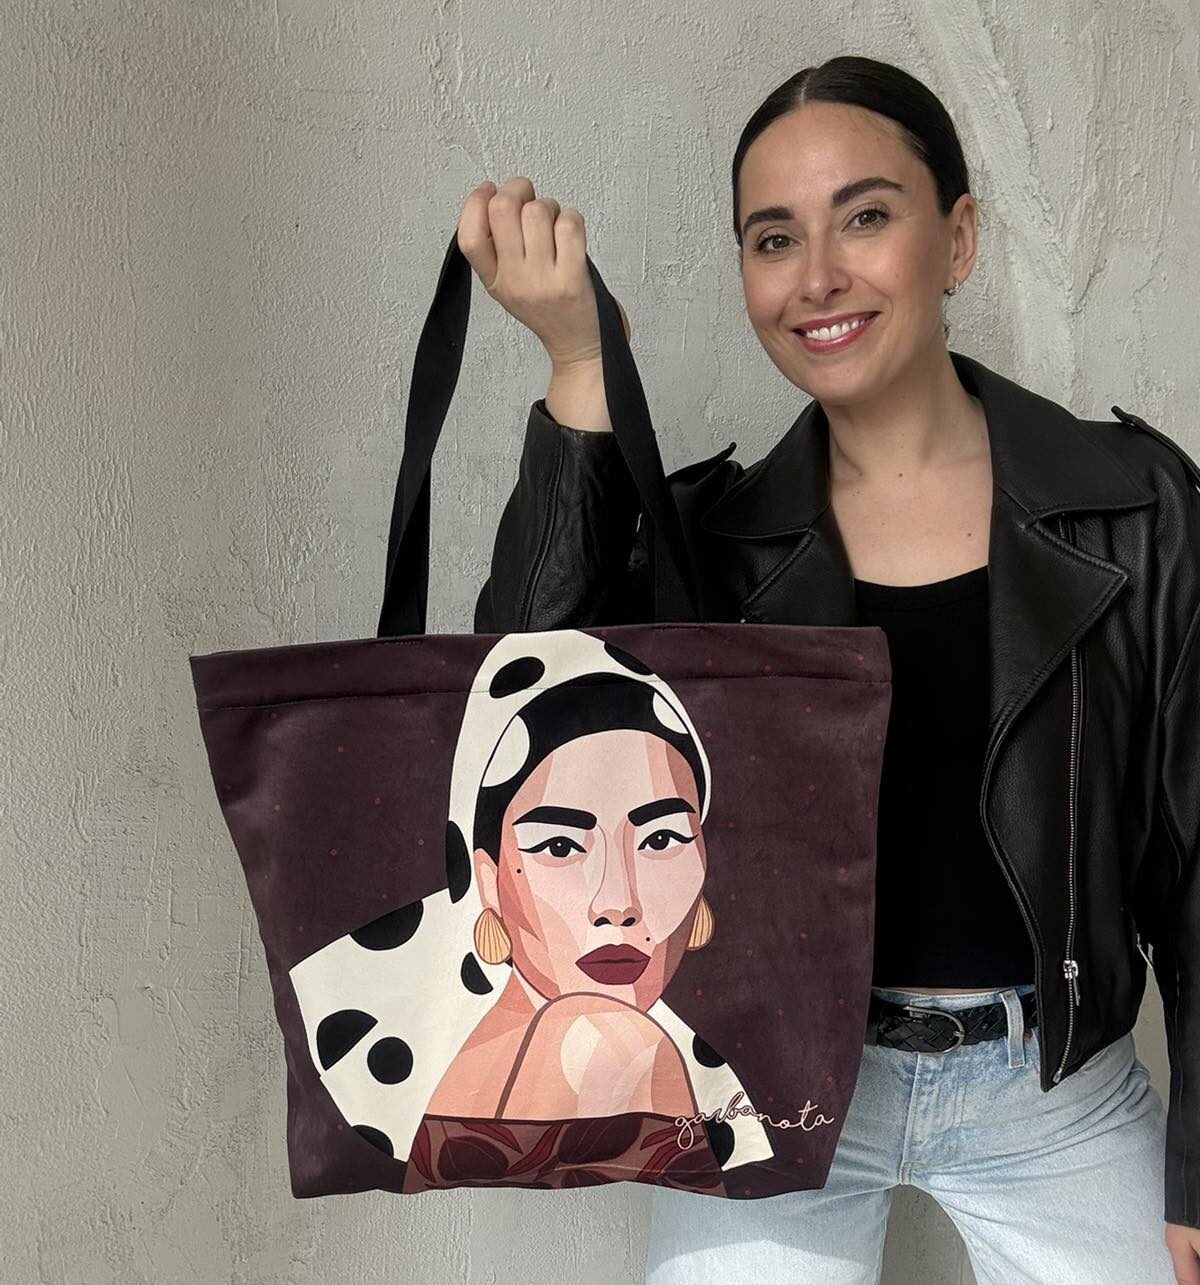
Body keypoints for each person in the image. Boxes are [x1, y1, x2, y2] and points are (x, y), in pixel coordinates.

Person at [458, 53, 1199, 1285]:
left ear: (958, 238)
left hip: (1057, 1090)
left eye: (865, 216)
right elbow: (513, 694)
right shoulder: (709, 545)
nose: (816, 277)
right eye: (774, 238)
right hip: (774, 1086)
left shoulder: (1136, 507)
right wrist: (584, 368)